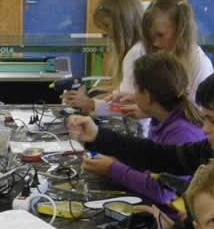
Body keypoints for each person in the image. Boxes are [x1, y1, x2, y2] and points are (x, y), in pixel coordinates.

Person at [68, 60, 214, 180]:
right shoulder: (213, 151)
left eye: (213, 121)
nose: (205, 129)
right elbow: (158, 156)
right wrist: (97, 136)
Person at [80, 52, 207, 205]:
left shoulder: (183, 133)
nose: (133, 95)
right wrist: (120, 162)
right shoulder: (162, 119)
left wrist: (112, 169)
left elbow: (164, 192)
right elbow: (150, 161)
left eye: (136, 89)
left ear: (147, 96)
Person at [62, 0, 144, 114]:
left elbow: (124, 108)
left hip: (133, 124)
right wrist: (99, 96)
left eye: (108, 26)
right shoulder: (139, 49)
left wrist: (90, 103)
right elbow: (126, 95)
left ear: (123, 23)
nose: (107, 34)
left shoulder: (135, 53)